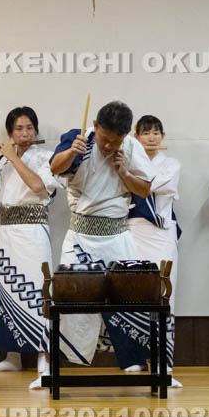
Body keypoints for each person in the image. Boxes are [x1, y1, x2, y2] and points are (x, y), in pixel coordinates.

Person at [48, 101, 157, 377]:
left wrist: (125, 173)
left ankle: (133, 360)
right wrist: (72, 152)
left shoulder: (132, 147)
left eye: (115, 141)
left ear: (126, 135)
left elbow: (144, 190)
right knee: (72, 300)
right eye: (104, 139)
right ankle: (61, 362)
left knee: (128, 300)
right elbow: (54, 168)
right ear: (95, 126)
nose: (108, 147)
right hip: (80, 236)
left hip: (117, 234)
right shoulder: (79, 138)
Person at [0, 106, 59, 388]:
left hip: (34, 231)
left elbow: (39, 188)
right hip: (8, 232)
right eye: (18, 129)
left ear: (36, 131)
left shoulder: (48, 158)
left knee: (38, 291)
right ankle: (12, 357)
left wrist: (13, 157)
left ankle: (44, 361)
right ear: (10, 133)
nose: (24, 134)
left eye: (29, 129)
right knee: (8, 289)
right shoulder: (2, 162)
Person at [125, 115, 182, 387]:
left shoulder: (172, 164)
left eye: (156, 132)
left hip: (162, 234)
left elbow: (148, 187)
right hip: (134, 231)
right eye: (145, 132)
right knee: (133, 294)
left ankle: (164, 361)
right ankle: (135, 356)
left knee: (165, 293)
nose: (151, 137)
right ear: (136, 136)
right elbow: (127, 189)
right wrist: (130, 172)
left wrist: (131, 175)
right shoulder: (128, 161)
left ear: (163, 135)